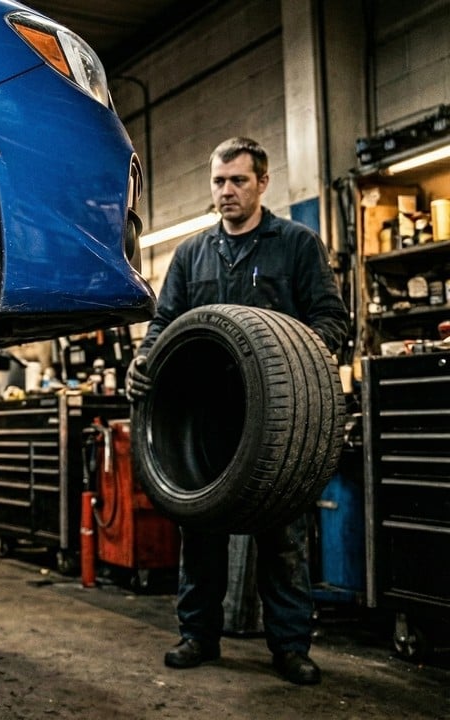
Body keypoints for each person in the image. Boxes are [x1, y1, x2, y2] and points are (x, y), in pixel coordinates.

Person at [125, 137, 348, 685]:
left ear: (262, 183)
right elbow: (165, 324)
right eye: (219, 181)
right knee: (201, 531)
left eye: (238, 181)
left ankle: (290, 647)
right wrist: (146, 359)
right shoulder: (193, 254)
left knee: (283, 539)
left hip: (277, 422)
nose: (227, 191)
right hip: (207, 417)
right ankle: (198, 635)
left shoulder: (296, 245)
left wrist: (291, 364)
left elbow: (332, 323)